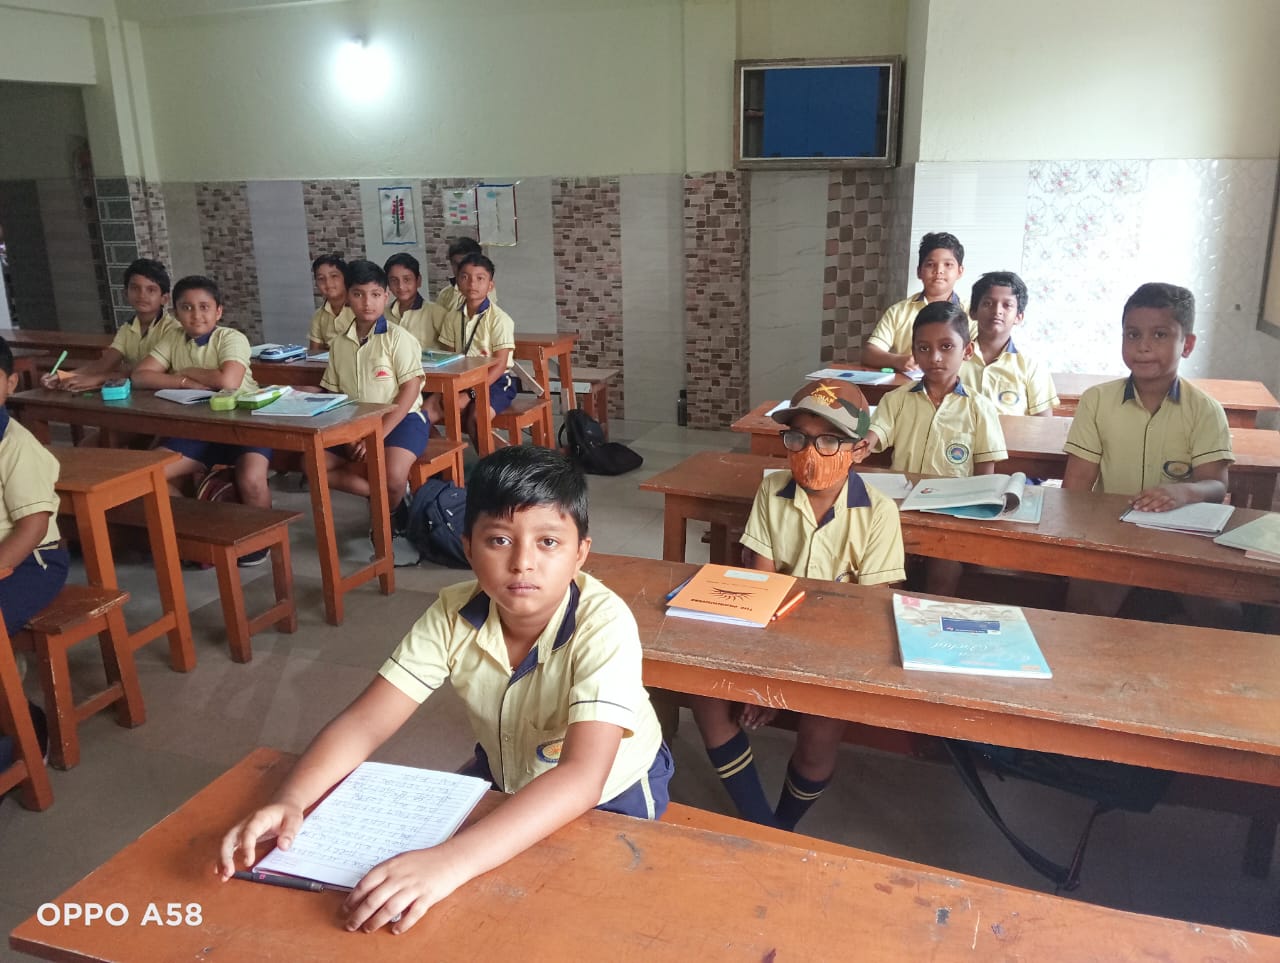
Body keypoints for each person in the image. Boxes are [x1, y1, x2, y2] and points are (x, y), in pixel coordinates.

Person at [216, 446, 672, 934]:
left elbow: (582, 777)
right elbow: (366, 723)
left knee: (570, 911)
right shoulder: (453, 613)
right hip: (506, 772)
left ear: (580, 552)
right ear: (468, 548)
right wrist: (292, 798)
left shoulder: (604, 625)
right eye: (499, 540)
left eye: (548, 542)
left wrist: (450, 861)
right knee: (459, 905)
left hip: (613, 791)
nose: (522, 563)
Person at [691, 379, 904, 829]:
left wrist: (787, 683)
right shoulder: (773, 491)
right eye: (798, 438)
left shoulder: (879, 512)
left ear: (859, 449)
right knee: (706, 694)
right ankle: (760, 824)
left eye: (828, 440)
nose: (809, 452)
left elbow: (867, 613)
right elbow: (761, 587)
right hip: (769, 631)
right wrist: (768, 675)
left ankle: (783, 826)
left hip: (837, 647)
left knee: (820, 734)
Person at [1063, 282, 1234, 619]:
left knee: (1222, 612)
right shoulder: (1097, 401)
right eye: (1132, 334)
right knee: (1084, 608)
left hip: (1181, 539)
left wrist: (1184, 492)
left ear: (1187, 344)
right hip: (1109, 534)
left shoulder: (1206, 410)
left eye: (1160, 335)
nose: (1143, 346)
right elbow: (1075, 486)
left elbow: (1216, 486)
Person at [861, 301, 1006, 595]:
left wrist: (973, 524)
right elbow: (879, 430)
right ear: (913, 353)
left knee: (943, 574)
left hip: (950, 516)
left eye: (946, 346)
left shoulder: (979, 408)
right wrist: (867, 441)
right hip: (899, 510)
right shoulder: (897, 399)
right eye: (923, 348)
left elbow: (985, 474)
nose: (935, 357)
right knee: (888, 570)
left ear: (967, 351)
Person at [132, 276, 273, 563]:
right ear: (176, 312)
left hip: (246, 426)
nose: (196, 315)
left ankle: (261, 542)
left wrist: (185, 371)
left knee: (251, 479)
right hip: (198, 430)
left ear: (219, 311)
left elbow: (228, 381)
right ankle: (198, 530)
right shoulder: (173, 338)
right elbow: (140, 376)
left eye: (204, 307)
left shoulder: (230, 338)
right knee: (147, 475)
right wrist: (183, 381)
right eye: (187, 307)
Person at [304, 259, 427, 562]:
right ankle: (384, 501)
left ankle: (387, 517)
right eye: (358, 294)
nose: (367, 303)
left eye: (374, 295)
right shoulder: (340, 344)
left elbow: (410, 390)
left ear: (386, 296)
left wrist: (377, 434)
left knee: (393, 477)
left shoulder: (399, 338)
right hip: (352, 422)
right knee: (313, 466)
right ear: (348, 297)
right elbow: (334, 393)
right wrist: (348, 437)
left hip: (400, 419)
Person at [0, 335, 66, 767]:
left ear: (9, 384)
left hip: (31, 560)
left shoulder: (16, 445)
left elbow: (33, 526)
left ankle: (23, 729)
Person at [41, 258, 179, 392]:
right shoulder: (127, 329)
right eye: (135, 288)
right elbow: (105, 364)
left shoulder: (172, 329)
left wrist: (97, 379)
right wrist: (63, 376)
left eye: (151, 290)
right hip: (135, 393)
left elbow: (142, 373)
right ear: (126, 293)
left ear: (164, 298)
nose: (142, 295)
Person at [426, 253, 517, 445]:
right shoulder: (452, 317)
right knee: (421, 416)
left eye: (480, 278)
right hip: (461, 380)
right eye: (465, 277)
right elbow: (450, 359)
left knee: (476, 418)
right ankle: (447, 459)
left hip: (495, 381)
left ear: (490, 285)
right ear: (458, 282)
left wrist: (469, 394)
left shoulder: (500, 319)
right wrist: (454, 390)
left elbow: (500, 365)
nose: (472, 283)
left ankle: (493, 463)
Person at [861, 232, 973, 373]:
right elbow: (869, 353)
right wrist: (897, 360)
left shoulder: (972, 313)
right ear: (919, 272)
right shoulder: (899, 311)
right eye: (930, 264)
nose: (939, 271)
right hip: (909, 384)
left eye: (948, 265)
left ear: (960, 271)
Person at [960, 271, 1059, 416]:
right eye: (988, 303)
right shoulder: (955, 359)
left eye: (1007, 305)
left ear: (1019, 316)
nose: (997, 311)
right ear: (973, 312)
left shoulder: (1031, 366)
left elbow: (1043, 423)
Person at [384, 252, 448, 350]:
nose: (401, 286)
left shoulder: (436, 312)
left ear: (418, 281)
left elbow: (450, 351)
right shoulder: (383, 314)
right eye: (394, 280)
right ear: (388, 284)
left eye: (407, 279)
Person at [434, 237, 498, 314]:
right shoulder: (445, 294)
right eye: (455, 264)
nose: (460, 269)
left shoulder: (485, 291)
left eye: (464, 264)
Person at [306, 253, 354, 353]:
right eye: (321, 279)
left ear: (345, 278)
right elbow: (314, 353)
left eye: (334, 276)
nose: (328, 283)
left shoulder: (360, 309)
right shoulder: (318, 316)